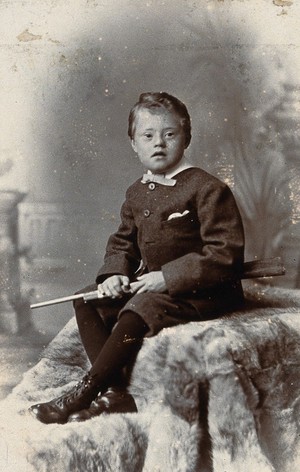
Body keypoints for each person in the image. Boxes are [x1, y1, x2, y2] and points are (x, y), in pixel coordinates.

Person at [30, 91, 245, 424]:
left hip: (202, 291)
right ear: (134, 143)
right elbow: (123, 243)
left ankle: (86, 390)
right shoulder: (137, 191)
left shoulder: (207, 188)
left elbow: (225, 252)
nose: (158, 143)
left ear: (186, 138)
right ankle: (116, 392)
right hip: (151, 286)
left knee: (137, 309)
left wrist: (168, 277)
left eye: (169, 134)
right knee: (87, 300)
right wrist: (114, 274)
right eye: (148, 135)